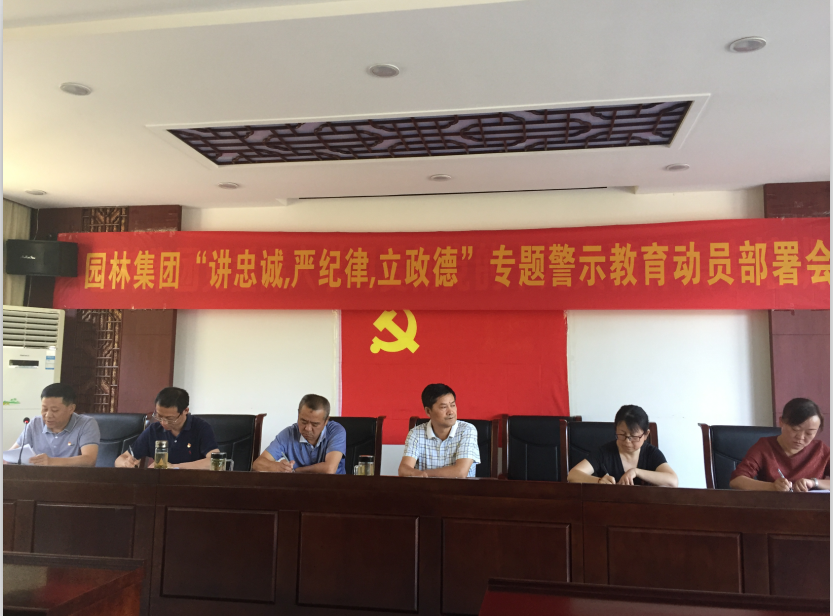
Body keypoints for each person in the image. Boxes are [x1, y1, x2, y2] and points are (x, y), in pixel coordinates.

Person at [729, 398, 830, 492]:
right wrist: (772, 487)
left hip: (810, 505)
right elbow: (736, 481)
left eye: (809, 433)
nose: (800, 437)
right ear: (781, 422)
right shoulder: (765, 447)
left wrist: (814, 483)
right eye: (795, 429)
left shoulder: (820, 449)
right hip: (773, 504)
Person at [567, 405, 678, 487]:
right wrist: (598, 481)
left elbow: (673, 481)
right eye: (622, 434)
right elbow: (572, 475)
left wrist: (636, 471)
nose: (627, 441)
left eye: (634, 436)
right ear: (616, 430)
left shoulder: (651, 453)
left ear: (645, 435)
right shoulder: (604, 452)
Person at [115, 387, 219, 469]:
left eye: (170, 419)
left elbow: (215, 461)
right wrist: (126, 463)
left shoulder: (201, 428)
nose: (163, 422)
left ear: (185, 411)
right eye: (159, 416)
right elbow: (120, 459)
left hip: (193, 484)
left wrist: (174, 467)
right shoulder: (154, 430)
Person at [398, 383, 480, 478]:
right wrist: (416, 474)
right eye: (444, 407)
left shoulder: (467, 430)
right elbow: (403, 469)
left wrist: (423, 474)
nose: (451, 412)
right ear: (428, 411)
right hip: (426, 487)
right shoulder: (416, 433)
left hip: (459, 487)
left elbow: (460, 472)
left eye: (453, 405)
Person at [9, 383, 99, 466]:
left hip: (72, 477)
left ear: (71, 409)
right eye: (44, 409)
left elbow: (89, 460)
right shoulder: (35, 423)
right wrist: (7, 460)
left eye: (55, 410)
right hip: (38, 476)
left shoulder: (86, 424)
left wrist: (51, 462)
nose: (48, 415)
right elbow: (11, 455)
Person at [253, 394, 346, 474]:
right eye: (303, 421)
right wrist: (277, 467)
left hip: (332, 486)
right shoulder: (288, 434)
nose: (307, 429)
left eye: (315, 424)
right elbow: (257, 464)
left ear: (326, 421)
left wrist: (297, 471)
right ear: (298, 415)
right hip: (298, 486)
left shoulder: (336, 431)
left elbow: (329, 469)